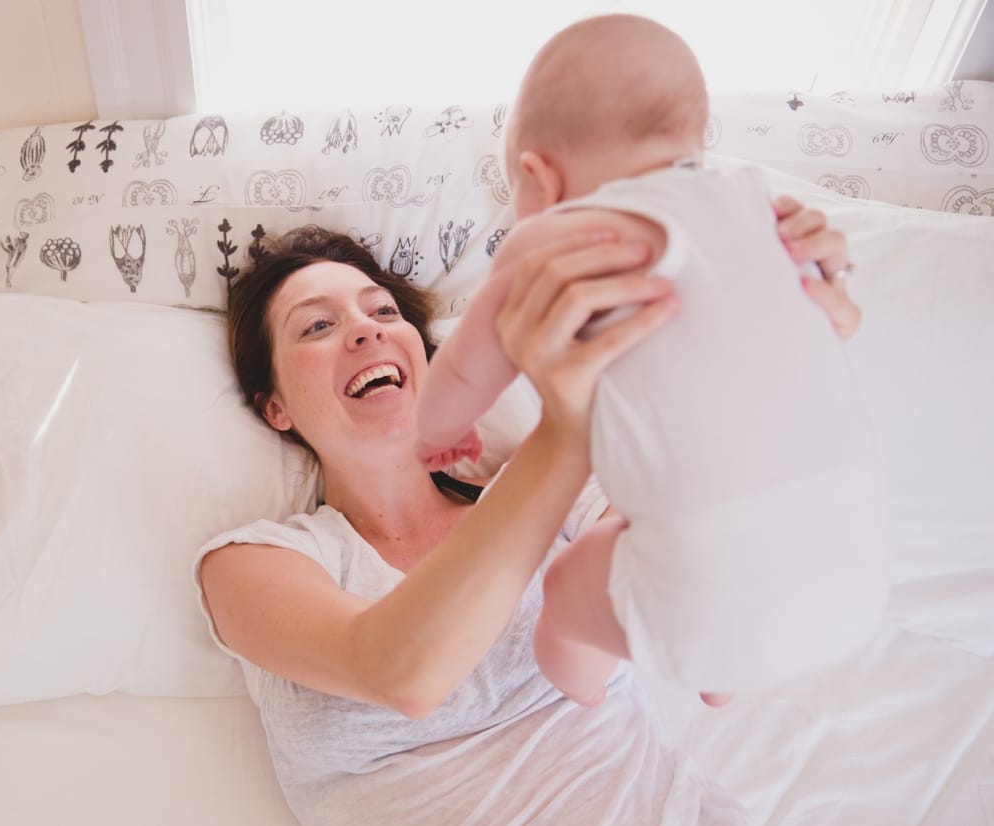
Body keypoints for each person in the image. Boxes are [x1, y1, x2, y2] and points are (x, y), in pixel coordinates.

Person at [192, 195, 861, 822]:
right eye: (317, 325)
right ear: (274, 407)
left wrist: (783, 336)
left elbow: (704, 571)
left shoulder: (556, 490)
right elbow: (401, 671)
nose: (366, 331)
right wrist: (566, 432)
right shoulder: (251, 564)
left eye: (384, 312)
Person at [414, 14, 886, 708]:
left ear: (540, 179)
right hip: (852, 564)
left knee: (567, 591)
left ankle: (585, 688)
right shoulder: (765, 208)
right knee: (666, 530)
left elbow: (460, 372)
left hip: (706, 584)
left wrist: (436, 432)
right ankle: (718, 671)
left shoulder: (554, 238)